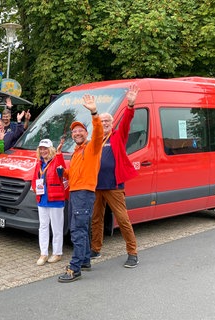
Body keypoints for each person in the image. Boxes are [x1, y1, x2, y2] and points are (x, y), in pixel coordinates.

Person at [91, 85, 140, 268]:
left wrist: (130, 105)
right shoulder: (94, 140)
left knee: (122, 219)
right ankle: (96, 248)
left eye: (107, 121)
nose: (104, 124)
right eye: (101, 121)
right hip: (96, 186)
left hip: (114, 186)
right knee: (96, 218)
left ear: (112, 123)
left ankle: (132, 252)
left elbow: (126, 121)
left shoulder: (118, 136)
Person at [58, 94, 104, 283]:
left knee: (77, 230)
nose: (76, 133)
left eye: (80, 131)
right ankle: (85, 260)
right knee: (82, 228)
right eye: (74, 131)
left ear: (86, 134)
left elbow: (99, 132)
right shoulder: (76, 153)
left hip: (84, 193)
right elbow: (73, 175)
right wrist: (64, 171)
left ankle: (75, 268)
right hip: (77, 192)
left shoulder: (92, 147)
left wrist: (94, 112)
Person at [31, 139, 66, 266]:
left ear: (51, 149)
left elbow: (63, 171)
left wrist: (60, 154)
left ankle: (57, 253)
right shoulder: (39, 164)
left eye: (45, 149)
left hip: (55, 199)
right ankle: (43, 253)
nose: (43, 151)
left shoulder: (57, 160)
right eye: (41, 149)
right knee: (43, 227)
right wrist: (36, 188)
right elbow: (35, 179)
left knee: (56, 228)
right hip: (42, 200)